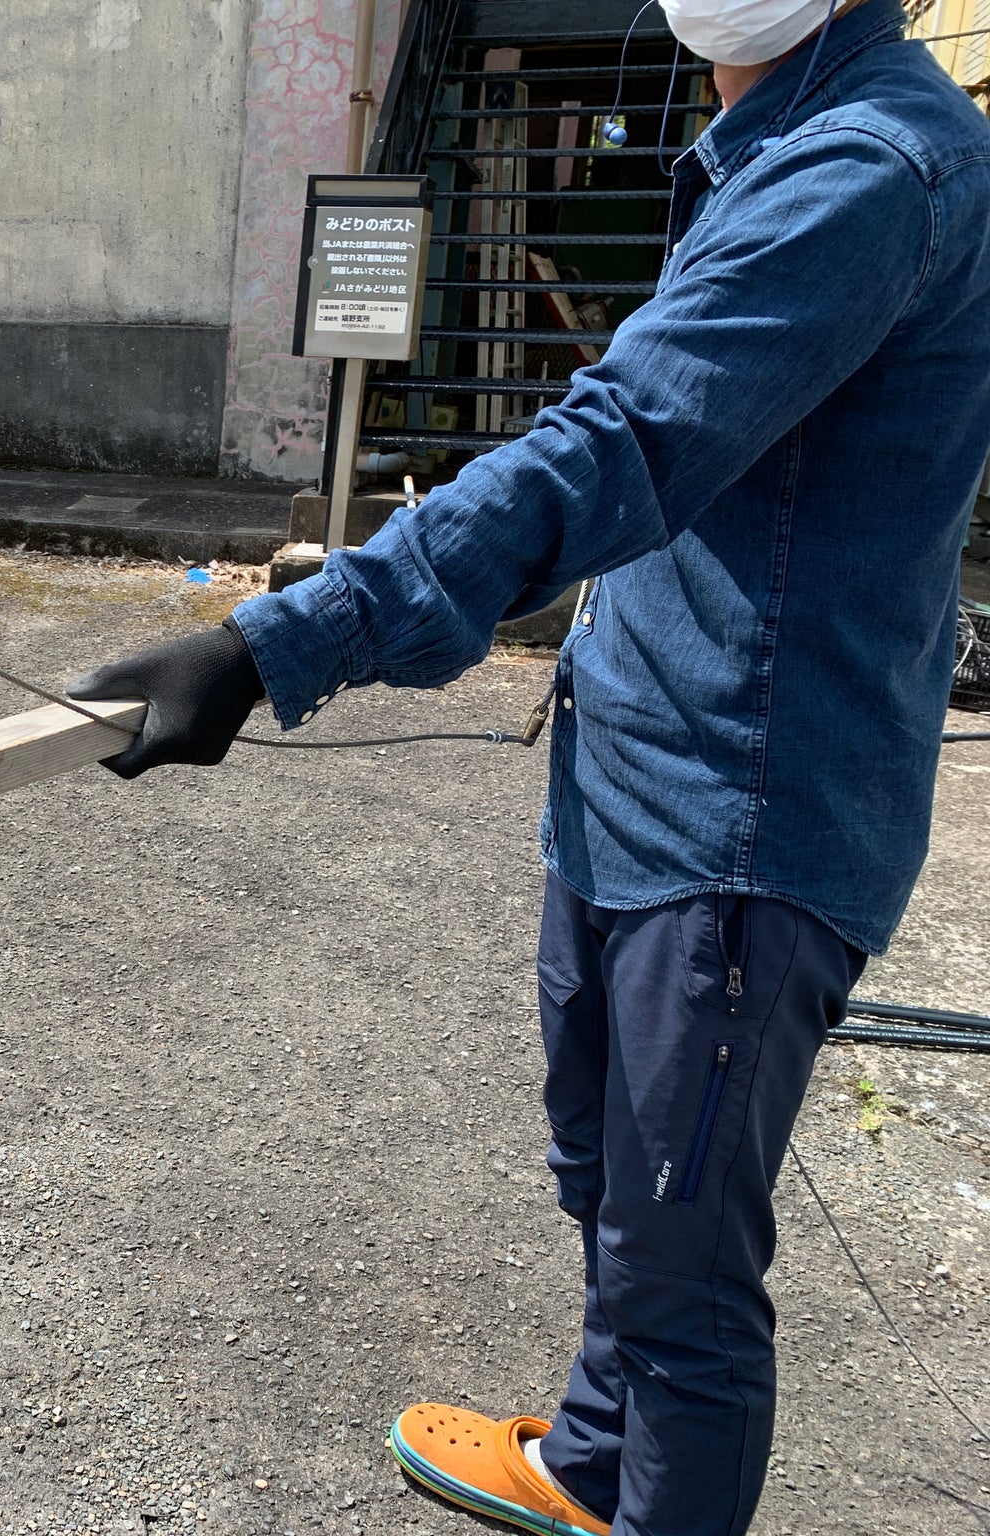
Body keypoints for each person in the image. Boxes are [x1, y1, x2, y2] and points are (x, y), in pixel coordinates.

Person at [67, 2, 990, 1532]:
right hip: (634, 775)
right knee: (610, 1185)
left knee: (683, 1275)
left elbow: (623, 440)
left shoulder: (872, 170)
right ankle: (587, 1461)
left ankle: (644, 1478)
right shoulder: (767, 139)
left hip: (743, 820)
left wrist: (278, 642)